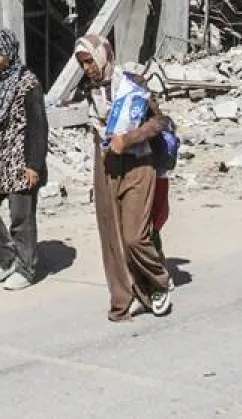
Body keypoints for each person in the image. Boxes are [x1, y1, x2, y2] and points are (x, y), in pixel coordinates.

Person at [71, 33, 174, 321]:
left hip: (138, 165)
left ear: (103, 55)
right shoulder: (88, 88)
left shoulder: (132, 84)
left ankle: (158, 281)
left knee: (133, 236)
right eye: (82, 63)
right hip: (107, 167)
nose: (87, 68)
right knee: (112, 237)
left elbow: (161, 121)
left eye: (90, 60)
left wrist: (129, 138)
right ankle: (126, 296)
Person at [0, 30, 48, 291]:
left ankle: (26, 268)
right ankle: (7, 259)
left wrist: (33, 165)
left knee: (20, 217)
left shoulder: (28, 84)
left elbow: (38, 127)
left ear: (10, 52)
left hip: (19, 159)